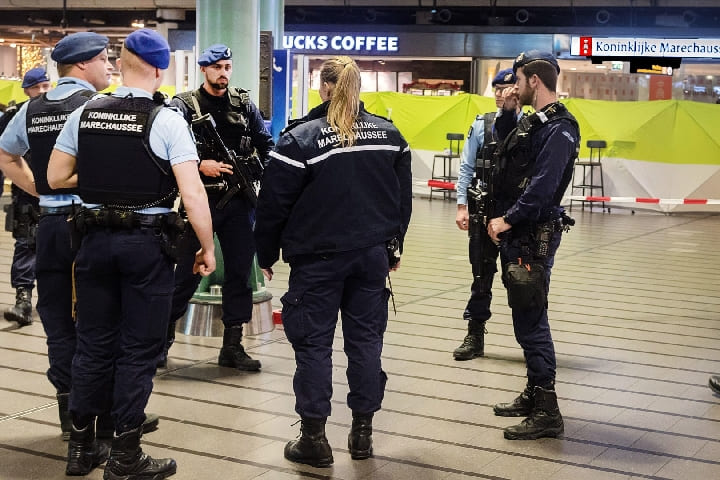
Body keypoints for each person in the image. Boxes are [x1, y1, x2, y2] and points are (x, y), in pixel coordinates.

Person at [48, 28, 215, 478]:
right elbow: (193, 193)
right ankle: (125, 457)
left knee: (93, 345)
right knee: (138, 350)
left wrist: (106, 182)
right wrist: (206, 246)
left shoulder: (84, 112)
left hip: (92, 243)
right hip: (146, 246)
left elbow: (56, 175)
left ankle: (81, 448)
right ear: (161, 69)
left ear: (120, 63)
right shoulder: (166, 120)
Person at [255, 56, 412, 467]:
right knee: (365, 344)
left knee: (313, 345)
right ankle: (362, 435)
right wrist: (393, 247)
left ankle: (315, 439)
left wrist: (266, 254)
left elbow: (273, 205)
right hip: (370, 258)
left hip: (317, 263)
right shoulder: (391, 136)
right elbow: (401, 202)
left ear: (323, 87)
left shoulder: (299, 140)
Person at [0, 32, 119, 441]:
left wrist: (38, 187)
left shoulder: (31, 109)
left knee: (56, 320)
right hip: (93, 227)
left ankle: (69, 414)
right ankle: (100, 417)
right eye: (105, 59)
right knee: (101, 320)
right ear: (83, 64)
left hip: (49, 226)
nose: (109, 67)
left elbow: (4, 155)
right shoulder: (98, 107)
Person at [161, 43, 274, 371]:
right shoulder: (184, 105)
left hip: (239, 203)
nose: (223, 73)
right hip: (201, 202)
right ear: (204, 70)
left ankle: (232, 346)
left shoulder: (243, 103)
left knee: (240, 275)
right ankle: (160, 343)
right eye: (217, 67)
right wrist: (200, 165)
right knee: (185, 274)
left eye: (227, 66)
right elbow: (165, 149)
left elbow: (266, 146)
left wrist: (255, 172)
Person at [487, 50, 580, 440]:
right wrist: (508, 114)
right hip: (519, 234)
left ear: (534, 82)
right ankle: (533, 391)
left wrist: (508, 219)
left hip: (532, 235)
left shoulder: (560, 128)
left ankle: (547, 408)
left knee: (532, 319)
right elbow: (511, 155)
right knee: (524, 318)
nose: (514, 86)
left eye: (519, 81)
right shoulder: (534, 122)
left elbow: (542, 189)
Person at [452, 68, 521, 361]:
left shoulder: (530, 126)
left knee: (520, 279)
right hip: (483, 211)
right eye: (495, 89)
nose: (498, 94)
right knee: (481, 275)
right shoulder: (482, 124)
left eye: (504, 89)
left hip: (516, 215)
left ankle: (531, 340)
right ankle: (475, 335)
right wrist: (461, 205)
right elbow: (467, 167)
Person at [1, 68, 50, 326]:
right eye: (36, 87)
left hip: (58, 191)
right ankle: (23, 300)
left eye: (45, 86)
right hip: (25, 191)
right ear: (26, 90)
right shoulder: (14, 116)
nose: (42, 92)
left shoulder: (58, 110)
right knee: (25, 244)